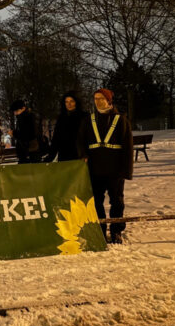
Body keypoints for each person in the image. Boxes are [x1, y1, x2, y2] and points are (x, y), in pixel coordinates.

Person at [78, 88, 133, 244]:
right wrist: (83, 155)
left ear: (109, 100)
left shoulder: (120, 119)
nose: (98, 101)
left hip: (115, 169)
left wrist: (126, 171)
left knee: (117, 201)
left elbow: (128, 146)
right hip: (95, 169)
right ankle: (100, 230)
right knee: (96, 202)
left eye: (101, 98)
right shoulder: (88, 120)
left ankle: (116, 231)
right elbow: (81, 141)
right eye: (95, 98)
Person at [45, 92, 88, 163]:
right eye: (66, 102)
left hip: (79, 154)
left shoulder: (84, 117)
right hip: (64, 154)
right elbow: (56, 138)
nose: (69, 104)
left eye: (71, 101)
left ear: (76, 102)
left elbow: (88, 137)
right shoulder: (61, 118)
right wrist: (50, 157)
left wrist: (86, 154)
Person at [10, 99, 41, 164]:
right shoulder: (23, 117)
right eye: (14, 111)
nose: (15, 113)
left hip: (30, 151)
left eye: (17, 111)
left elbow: (26, 135)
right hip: (27, 151)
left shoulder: (26, 117)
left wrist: (13, 133)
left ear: (23, 108)